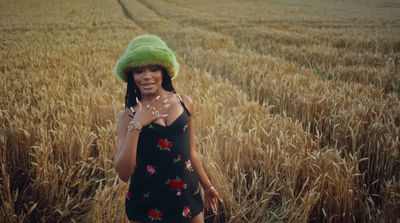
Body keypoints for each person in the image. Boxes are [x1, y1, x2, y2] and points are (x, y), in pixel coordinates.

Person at [113, 34, 221, 223]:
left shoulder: (185, 103)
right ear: (131, 75)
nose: (146, 76)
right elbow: (123, 174)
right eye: (139, 71)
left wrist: (208, 187)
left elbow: (191, 152)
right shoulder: (127, 117)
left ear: (164, 71)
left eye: (153, 68)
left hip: (187, 196)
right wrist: (137, 124)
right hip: (147, 204)